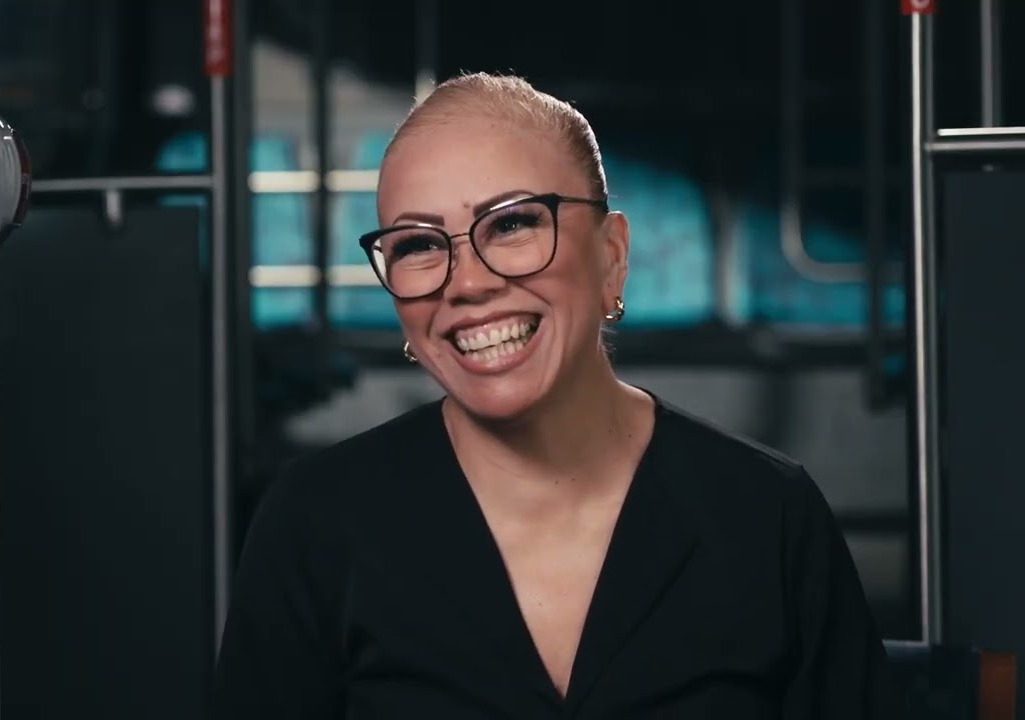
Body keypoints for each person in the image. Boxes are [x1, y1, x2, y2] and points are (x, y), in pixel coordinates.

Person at [212, 73, 898, 718]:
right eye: (418, 244)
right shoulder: (315, 524)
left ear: (611, 257)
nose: (467, 283)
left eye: (512, 224)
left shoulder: (768, 515)